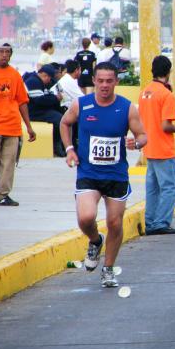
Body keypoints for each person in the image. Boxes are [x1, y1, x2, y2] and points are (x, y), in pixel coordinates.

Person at [59, 62, 147, 287]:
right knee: (86, 217)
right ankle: (95, 240)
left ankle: (108, 269)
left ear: (116, 82)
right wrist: (70, 149)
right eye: (101, 81)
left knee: (114, 223)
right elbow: (64, 123)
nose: (105, 85)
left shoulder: (127, 108)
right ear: (94, 81)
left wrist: (135, 143)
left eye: (110, 81)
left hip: (116, 174)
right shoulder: (82, 104)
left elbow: (143, 135)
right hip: (88, 171)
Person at [0, 42, 36, 206]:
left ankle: (2, 195)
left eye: (8, 52)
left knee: (8, 163)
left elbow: (22, 101)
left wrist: (28, 126)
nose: (5, 55)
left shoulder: (15, 75)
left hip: (12, 126)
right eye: (1, 52)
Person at [138, 56, 175, 236]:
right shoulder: (166, 95)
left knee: (153, 188)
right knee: (171, 187)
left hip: (149, 147)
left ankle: (151, 222)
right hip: (163, 149)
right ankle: (161, 222)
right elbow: (166, 126)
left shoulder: (144, 92)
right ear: (168, 71)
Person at [24, 64, 65, 157]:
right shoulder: (33, 82)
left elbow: (47, 96)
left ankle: (60, 144)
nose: (49, 80)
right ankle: (56, 145)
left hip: (40, 110)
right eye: (49, 78)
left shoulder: (40, 82)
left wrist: (53, 98)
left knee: (61, 115)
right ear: (44, 75)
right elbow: (39, 100)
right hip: (34, 112)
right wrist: (55, 98)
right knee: (59, 119)